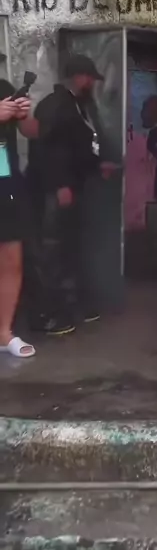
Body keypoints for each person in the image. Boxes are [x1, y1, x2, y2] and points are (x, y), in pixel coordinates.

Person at [26, 54, 117, 337]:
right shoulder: (55, 105)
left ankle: (70, 306)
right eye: (89, 78)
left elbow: (75, 147)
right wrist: (60, 184)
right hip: (52, 191)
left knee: (68, 247)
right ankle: (48, 315)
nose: (91, 84)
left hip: (69, 187)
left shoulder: (75, 105)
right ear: (78, 77)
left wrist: (96, 166)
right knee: (51, 251)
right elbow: (45, 149)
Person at [0, 70, 38, 357]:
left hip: (6, 183)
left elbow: (32, 132)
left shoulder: (4, 87)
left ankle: (4, 333)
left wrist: (24, 115)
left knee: (12, 258)